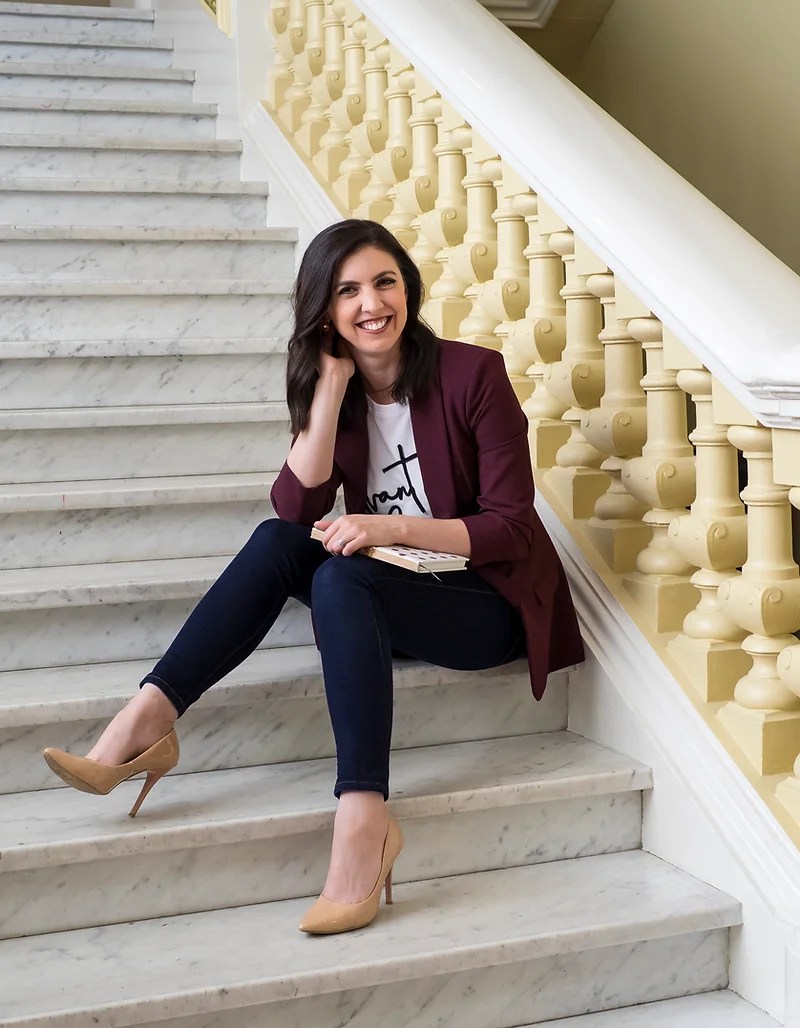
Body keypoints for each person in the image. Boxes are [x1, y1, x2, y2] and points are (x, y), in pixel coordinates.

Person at [42, 218, 584, 935]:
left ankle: (364, 820)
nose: (371, 303)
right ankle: (147, 717)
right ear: (324, 311)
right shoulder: (337, 383)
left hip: (487, 602)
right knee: (280, 542)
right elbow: (295, 507)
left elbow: (510, 527)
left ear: (408, 288)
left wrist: (387, 525)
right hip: (396, 588)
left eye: (384, 282)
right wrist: (329, 387)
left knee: (341, 580)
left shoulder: (471, 374)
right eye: (347, 291)